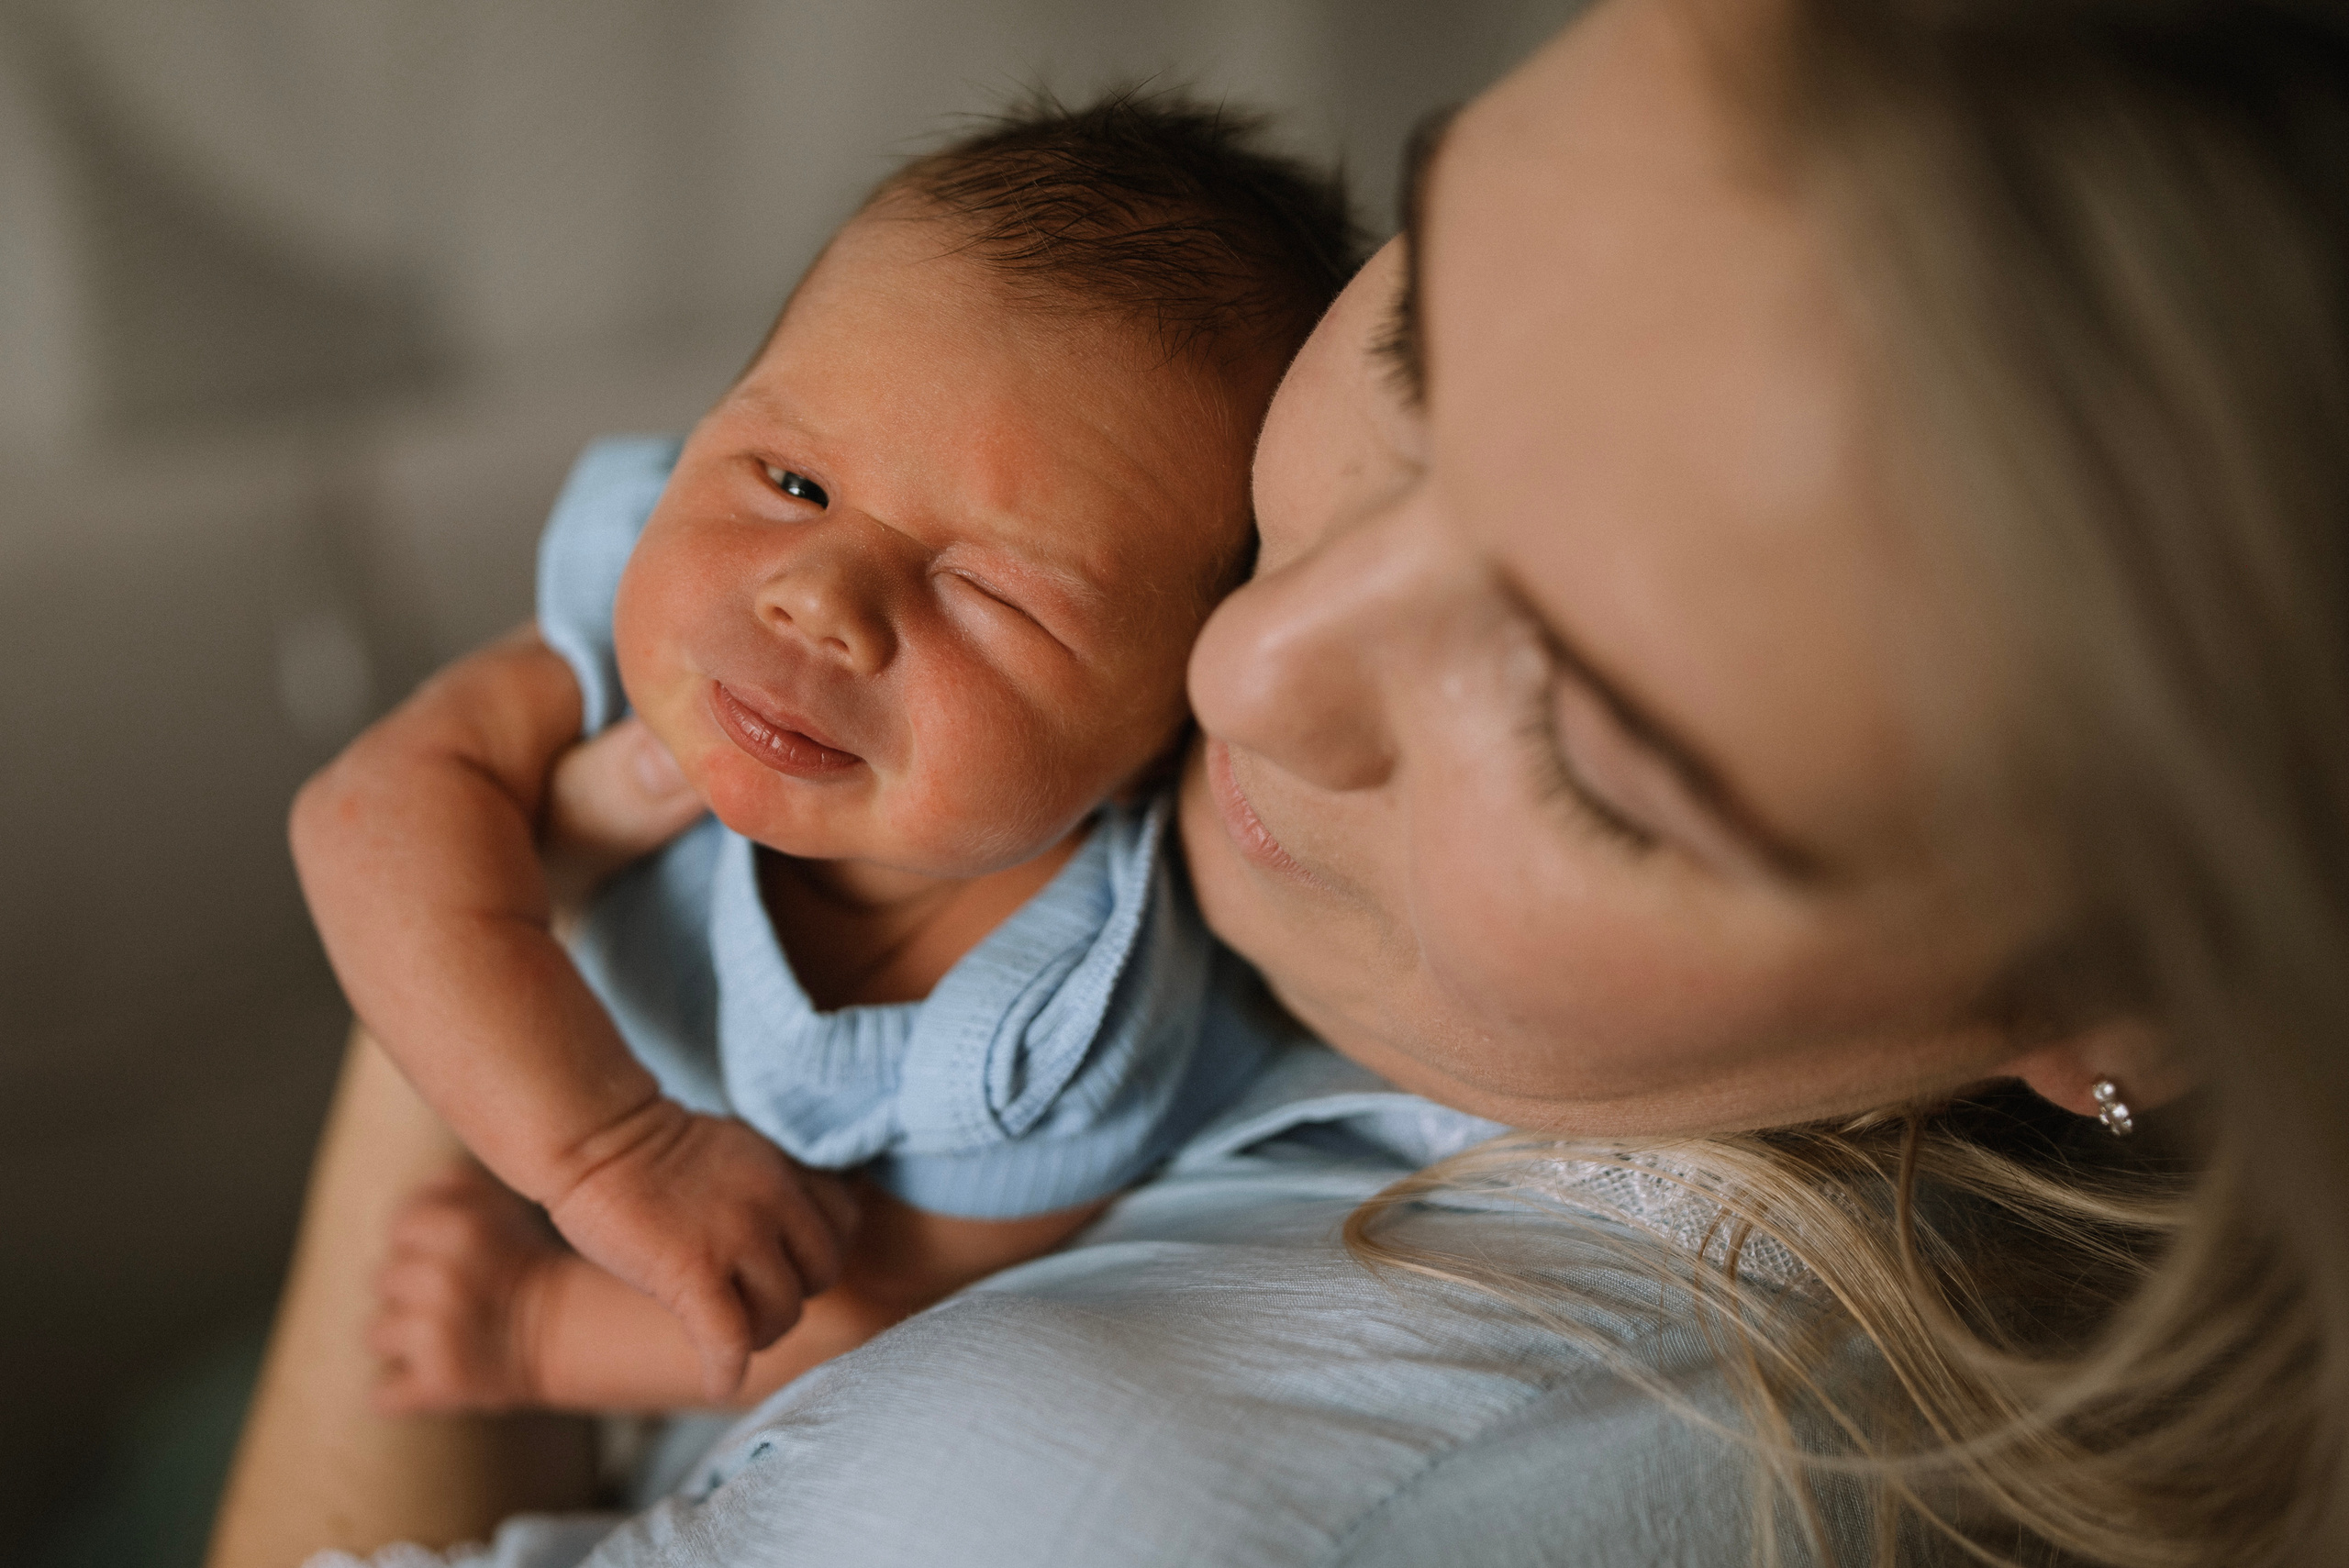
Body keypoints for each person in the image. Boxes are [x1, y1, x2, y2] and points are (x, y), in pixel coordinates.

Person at [209, 0, 2349, 1563]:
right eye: (1417, 348)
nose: (1233, 658)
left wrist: (511, 1028)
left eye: (1593, 737)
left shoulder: (1086, 1497)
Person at [286, 96, 1357, 1414]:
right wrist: (607, 1148)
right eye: (791, 481)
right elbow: (365, 813)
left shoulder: (1043, 1034)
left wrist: (534, 1329)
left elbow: (880, 1306)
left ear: (1165, 740)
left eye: (995, 597)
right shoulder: (642, 608)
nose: (819, 597)